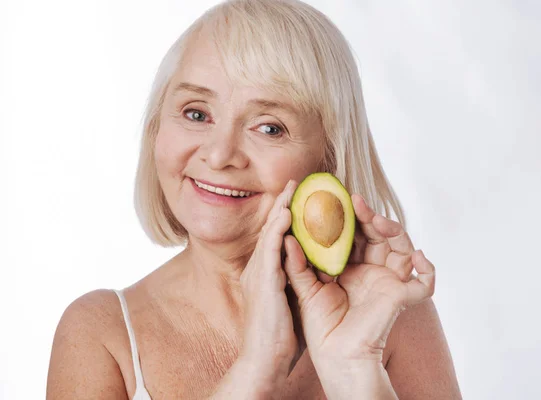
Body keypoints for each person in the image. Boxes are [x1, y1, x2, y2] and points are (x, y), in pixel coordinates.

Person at [47, 0, 462, 398]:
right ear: (157, 127)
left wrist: (355, 370)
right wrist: (257, 367)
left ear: (329, 160)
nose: (220, 154)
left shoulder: (390, 312)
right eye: (196, 113)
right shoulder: (99, 333)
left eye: (269, 128)